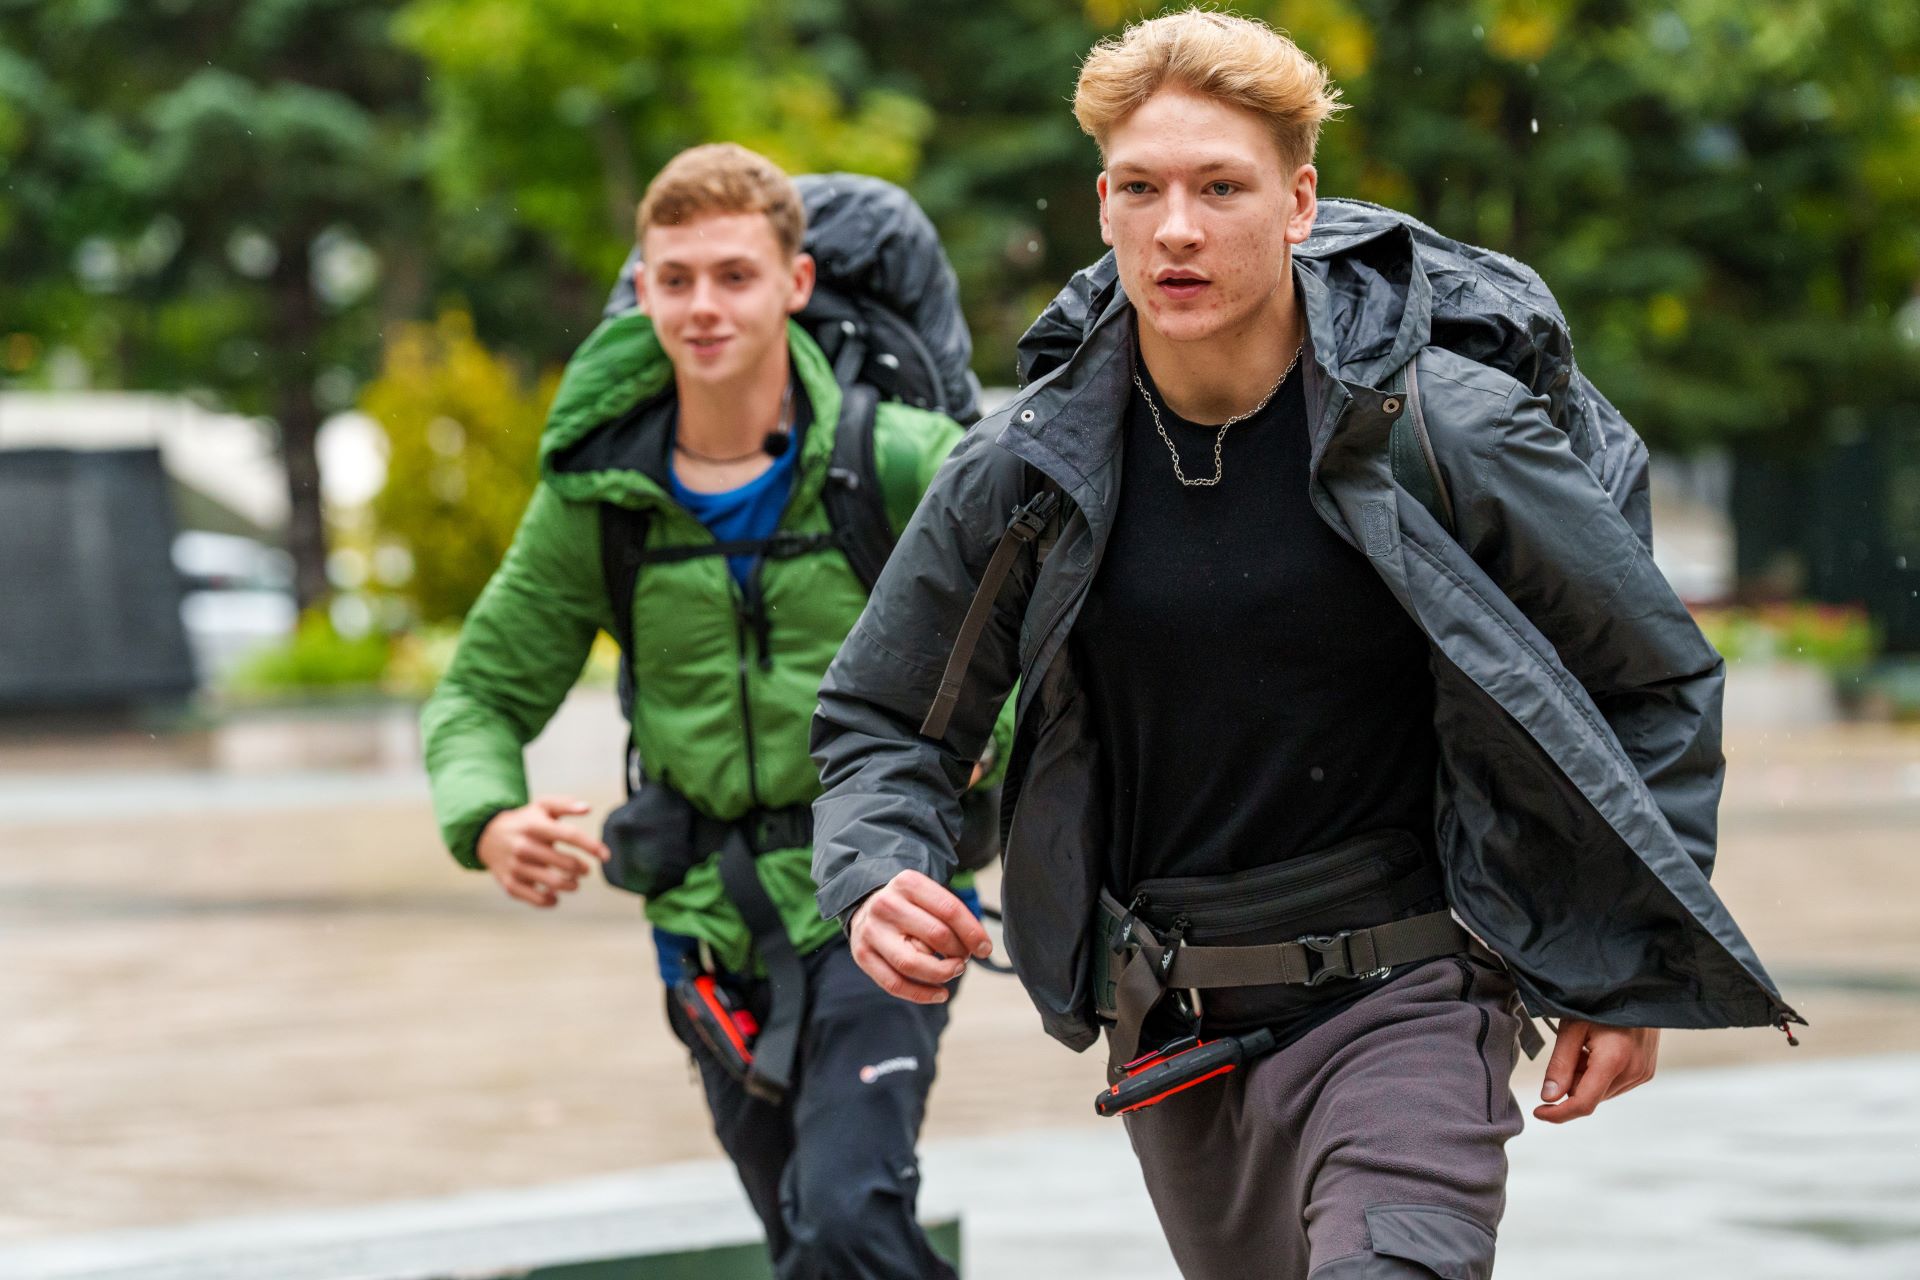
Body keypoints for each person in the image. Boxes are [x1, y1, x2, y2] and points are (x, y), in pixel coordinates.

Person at [809, 11, 1801, 1278]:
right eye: (1141, 189)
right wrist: (877, 868)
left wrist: (1630, 959)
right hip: (1173, 1022)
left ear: (1298, 202)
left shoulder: (1446, 431)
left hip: (1413, 993)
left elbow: (1647, 675)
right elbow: (884, 719)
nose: (1177, 228)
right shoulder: (1028, 467)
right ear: (1099, 204)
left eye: (1221, 187)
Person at [421, 143, 998, 1280]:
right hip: (703, 918)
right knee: (805, 1235)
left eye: (733, 274)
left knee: (845, 1216)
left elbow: (1040, 642)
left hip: (879, 893)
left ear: (795, 281)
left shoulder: (900, 461)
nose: (702, 305)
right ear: (640, 291)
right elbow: (481, 691)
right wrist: (488, 817)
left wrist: (991, 743)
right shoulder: (601, 498)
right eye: (674, 277)